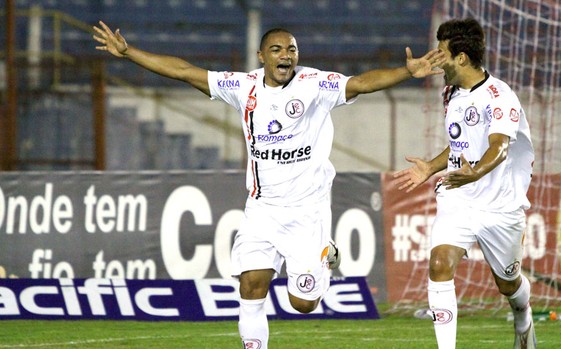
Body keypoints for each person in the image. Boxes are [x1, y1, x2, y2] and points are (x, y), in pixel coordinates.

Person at [93, 21, 445, 348]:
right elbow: (185, 72)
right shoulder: (242, 87)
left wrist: (406, 72)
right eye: (276, 49)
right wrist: (128, 52)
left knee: (303, 303)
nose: (286, 55)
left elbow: (362, 83)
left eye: (291, 49)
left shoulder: (314, 85)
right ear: (261, 57)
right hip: (262, 209)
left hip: (307, 211)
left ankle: (324, 254)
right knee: (251, 286)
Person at [393, 18, 536, 349]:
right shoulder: (450, 93)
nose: (437, 58)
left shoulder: (500, 96)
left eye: (442, 52)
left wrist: (477, 171)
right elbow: (461, 146)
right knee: (440, 263)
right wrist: (431, 166)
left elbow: (499, 146)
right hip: (459, 196)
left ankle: (523, 318)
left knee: (508, 284)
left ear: (461, 57)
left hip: (501, 206)